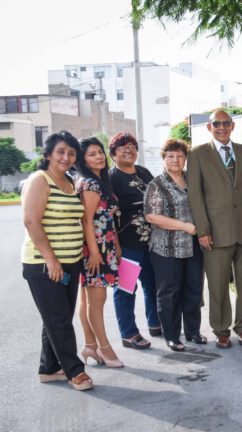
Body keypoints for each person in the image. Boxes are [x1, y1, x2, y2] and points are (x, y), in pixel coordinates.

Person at [21, 131, 93, 391]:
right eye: (61, 151)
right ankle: (75, 371)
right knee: (59, 319)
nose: (66, 157)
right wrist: (51, 259)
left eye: (71, 153)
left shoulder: (71, 181)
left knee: (56, 317)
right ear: (49, 153)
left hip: (70, 262)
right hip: (43, 263)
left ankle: (49, 368)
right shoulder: (39, 180)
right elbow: (31, 221)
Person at [188, 109, 242, 349]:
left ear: (232, 126)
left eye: (226, 123)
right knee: (218, 285)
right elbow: (195, 196)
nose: (222, 127)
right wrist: (203, 230)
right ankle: (221, 329)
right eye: (217, 124)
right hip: (215, 233)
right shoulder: (198, 154)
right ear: (209, 128)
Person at [144, 140, 206, 352]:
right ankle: (171, 335)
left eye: (179, 156)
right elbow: (152, 216)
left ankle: (193, 332)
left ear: (185, 158)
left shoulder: (192, 179)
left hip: (193, 247)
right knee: (169, 292)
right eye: (170, 156)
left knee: (194, 290)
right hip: (166, 249)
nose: (175, 160)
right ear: (164, 158)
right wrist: (184, 226)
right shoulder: (156, 184)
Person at [108, 132, 160, 349]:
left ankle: (155, 323)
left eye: (132, 146)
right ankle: (129, 333)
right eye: (122, 147)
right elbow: (108, 215)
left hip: (151, 241)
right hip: (127, 244)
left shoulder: (143, 172)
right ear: (113, 154)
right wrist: (116, 246)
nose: (128, 150)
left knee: (152, 284)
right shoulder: (111, 178)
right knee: (126, 289)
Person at [76, 137, 123, 368]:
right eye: (92, 154)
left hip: (104, 246)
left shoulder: (95, 181)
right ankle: (104, 348)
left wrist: (117, 246)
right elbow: (86, 220)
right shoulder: (90, 184)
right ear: (83, 160)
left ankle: (90, 345)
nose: (99, 157)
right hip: (95, 249)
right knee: (97, 300)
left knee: (88, 300)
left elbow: (105, 218)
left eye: (100, 152)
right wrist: (94, 253)